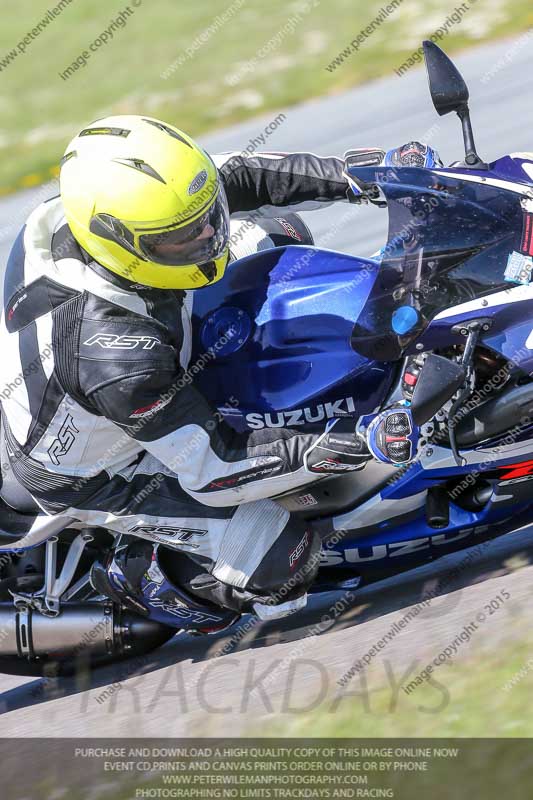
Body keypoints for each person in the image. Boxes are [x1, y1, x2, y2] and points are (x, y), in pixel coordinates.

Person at [0, 115, 441, 618]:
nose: (209, 232)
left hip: (146, 352)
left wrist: (365, 174)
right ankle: (137, 572)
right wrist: (354, 442)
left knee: (281, 237)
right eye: (182, 235)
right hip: (98, 468)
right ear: (118, 242)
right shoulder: (116, 355)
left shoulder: (101, 208)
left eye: (204, 216)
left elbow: (236, 175)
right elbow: (215, 466)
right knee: (280, 558)